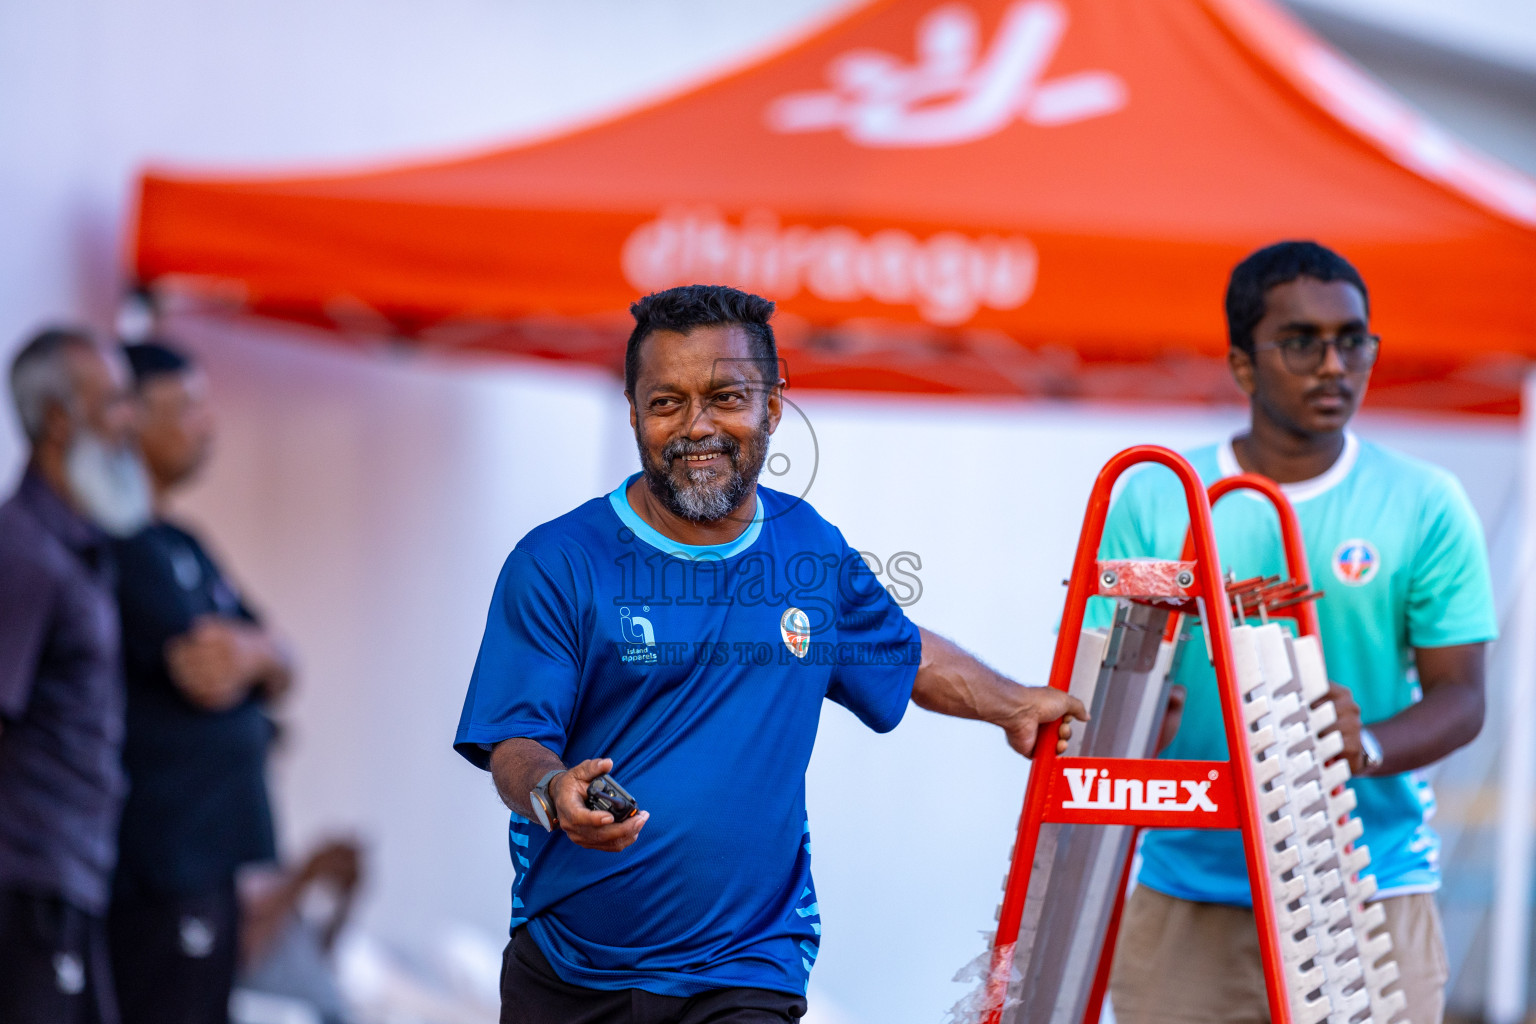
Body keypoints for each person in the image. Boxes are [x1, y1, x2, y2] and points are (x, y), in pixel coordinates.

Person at [454, 284, 1086, 1023]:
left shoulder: (808, 547)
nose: (697, 427)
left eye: (726, 397)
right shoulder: (559, 560)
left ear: (773, 405)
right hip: (571, 968)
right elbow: (513, 742)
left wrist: (1013, 704)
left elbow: (901, 654)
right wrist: (555, 793)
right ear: (632, 412)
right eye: (666, 403)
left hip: (748, 966)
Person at [1103, 241, 1495, 1024]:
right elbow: (1106, 683)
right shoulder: (1157, 495)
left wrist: (1366, 745)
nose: (1333, 365)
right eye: (1301, 342)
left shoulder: (1424, 501)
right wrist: (1139, 715)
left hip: (1368, 887)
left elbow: (1463, 698)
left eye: (1353, 340)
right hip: (1189, 886)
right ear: (1242, 365)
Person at [108, 340, 292, 1024]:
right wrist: (258, 656)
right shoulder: (117, 545)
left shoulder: (180, 542)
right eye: (185, 407)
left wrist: (258, 653)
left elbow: (280, 655)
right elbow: (204, 670)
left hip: (212, 865)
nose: (205, 424)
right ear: (126, 419)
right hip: (158, 868)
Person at [1, 326, 151, 1024]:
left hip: (69, 881)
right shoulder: (24, 551)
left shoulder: (80, 549)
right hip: (26, 884)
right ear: (60, 419)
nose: (131, 421)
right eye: (116, 401)